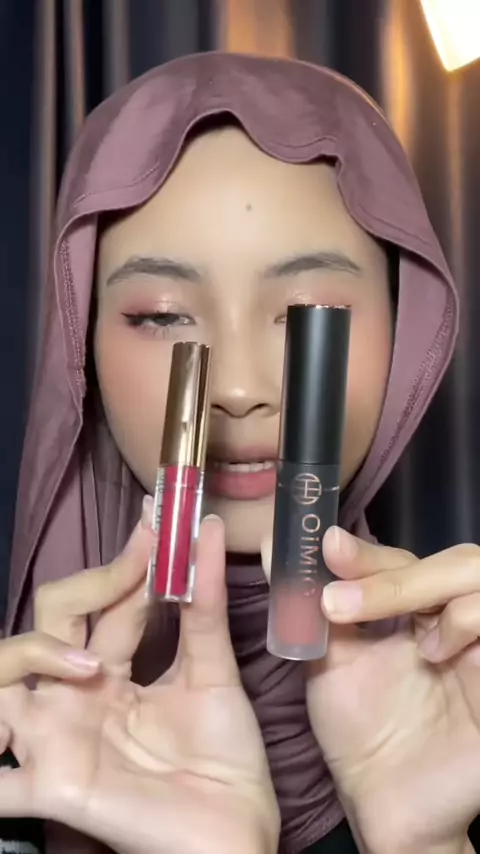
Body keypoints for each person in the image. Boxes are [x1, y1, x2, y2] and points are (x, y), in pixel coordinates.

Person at [0, 50, 479, 854]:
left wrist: (427, 843)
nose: (239, 388)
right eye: (161, 315)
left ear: (406, 333)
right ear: (78, 344)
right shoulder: (17, 749)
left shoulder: (464, 721)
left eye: (310, 310)